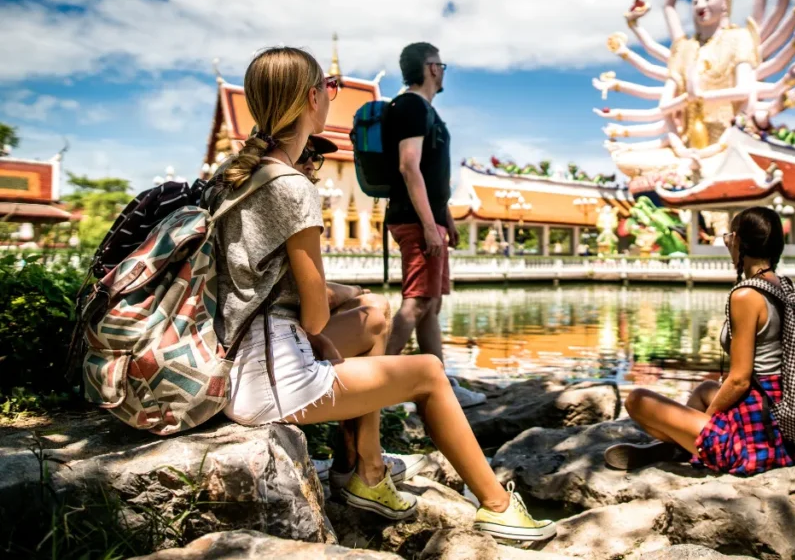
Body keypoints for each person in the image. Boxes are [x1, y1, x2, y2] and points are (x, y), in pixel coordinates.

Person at [213, 47, 554, 539]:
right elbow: (311, 317)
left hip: (244, 359)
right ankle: (498, 506)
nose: (332, 97)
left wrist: (338, 302)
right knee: (430, 372)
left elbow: (258, 283)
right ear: (312, 99)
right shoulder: (291, 187)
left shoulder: (233, 178)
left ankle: (364, 469)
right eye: (330, 88)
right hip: (270, 382)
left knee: (375, 312)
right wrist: (324, 328)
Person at [603, 206, 795, 475]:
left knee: (637, 399)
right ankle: (684, 443)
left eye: (728, 237)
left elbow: (739, 380)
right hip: (780, 416)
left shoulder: (747, 296)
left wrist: (706, 420)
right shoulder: (787, 286)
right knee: (704, 389)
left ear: (737, 241)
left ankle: (693, 445)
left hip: (756, 443)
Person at [297, 135, 427, 496]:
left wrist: (347, 296)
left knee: (370, 308)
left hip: (260, 341)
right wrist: (352, 294)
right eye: (305, 155)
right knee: (377, 312)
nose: (312, 165)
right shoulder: (286, 195)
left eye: (316, 158)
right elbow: (306, 302)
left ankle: (355, 459)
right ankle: (364, 463)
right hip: (264, 357)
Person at [384, 42, 486, 408]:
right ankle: (376, 385)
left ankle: (439, 383)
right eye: (440, 64)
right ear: (431, 68)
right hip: (415, 220)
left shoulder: (426, 111)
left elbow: (431, 174)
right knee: (416, 302)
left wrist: (445, 219)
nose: (442, 71)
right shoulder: (411, 105)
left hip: (429, 219)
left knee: (430, 303)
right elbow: (409, 166)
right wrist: (429, 225)